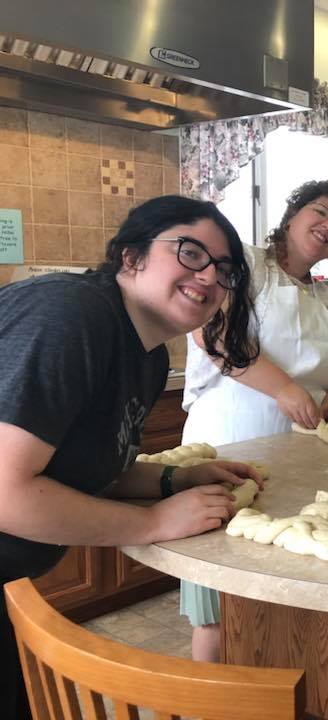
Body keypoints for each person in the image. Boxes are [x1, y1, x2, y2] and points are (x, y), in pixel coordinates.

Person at [0, 196, 261, 719]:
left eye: (225, 268)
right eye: (191, 252)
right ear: (130, 257)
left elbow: (92, 468)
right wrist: (153, 522)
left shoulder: (146, 354)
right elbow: (6, 492)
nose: (209, 275)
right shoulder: (71, 315)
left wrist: (175, 480)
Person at [180, 178, 328, 661]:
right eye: (321, 212)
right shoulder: (245, 264)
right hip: (229, 443)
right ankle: (213, 706)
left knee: (288, 589)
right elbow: (212, 334)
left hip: (301, 458)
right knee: (221, 603)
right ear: (293, 213)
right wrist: (284, 388)